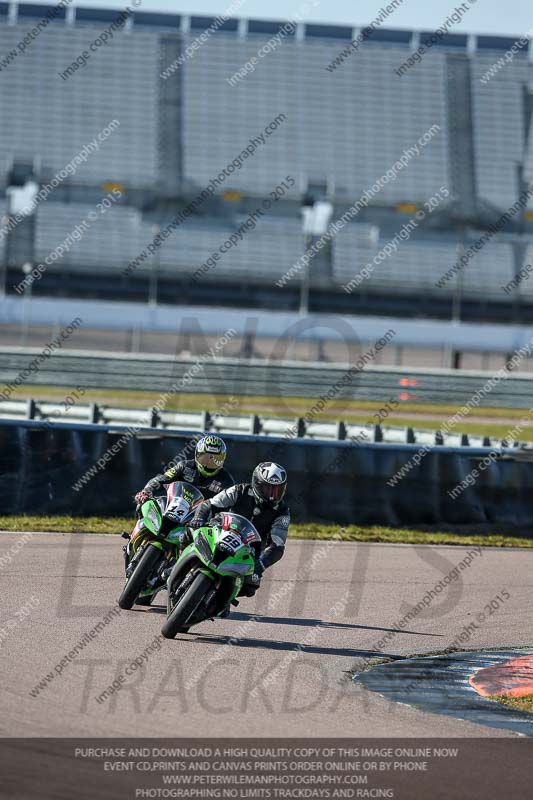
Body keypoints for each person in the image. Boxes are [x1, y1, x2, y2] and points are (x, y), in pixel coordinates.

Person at [186, 462, 290, 605]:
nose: (272, 495)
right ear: (257, 484)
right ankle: (173, 567)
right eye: (267, 489)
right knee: (187, 533)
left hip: (248, 551)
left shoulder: (282, 512)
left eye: (277, 490)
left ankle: (222, 600)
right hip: (220, 532)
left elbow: (277, 544)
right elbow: (210, 504)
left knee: (251, 585)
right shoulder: (239, 490)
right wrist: (199, 518)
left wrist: (261, 564)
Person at [134, 434, 234, 507]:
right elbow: (162, 479)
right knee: (144, 504)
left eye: (215, 460)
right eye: (205, 458)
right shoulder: (184, 466)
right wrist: (146, 491)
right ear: (197, 455)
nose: (209, 463)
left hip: (201, 520)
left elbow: (228, 507)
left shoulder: (226, 481)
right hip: (175, 507)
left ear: (223, 459)